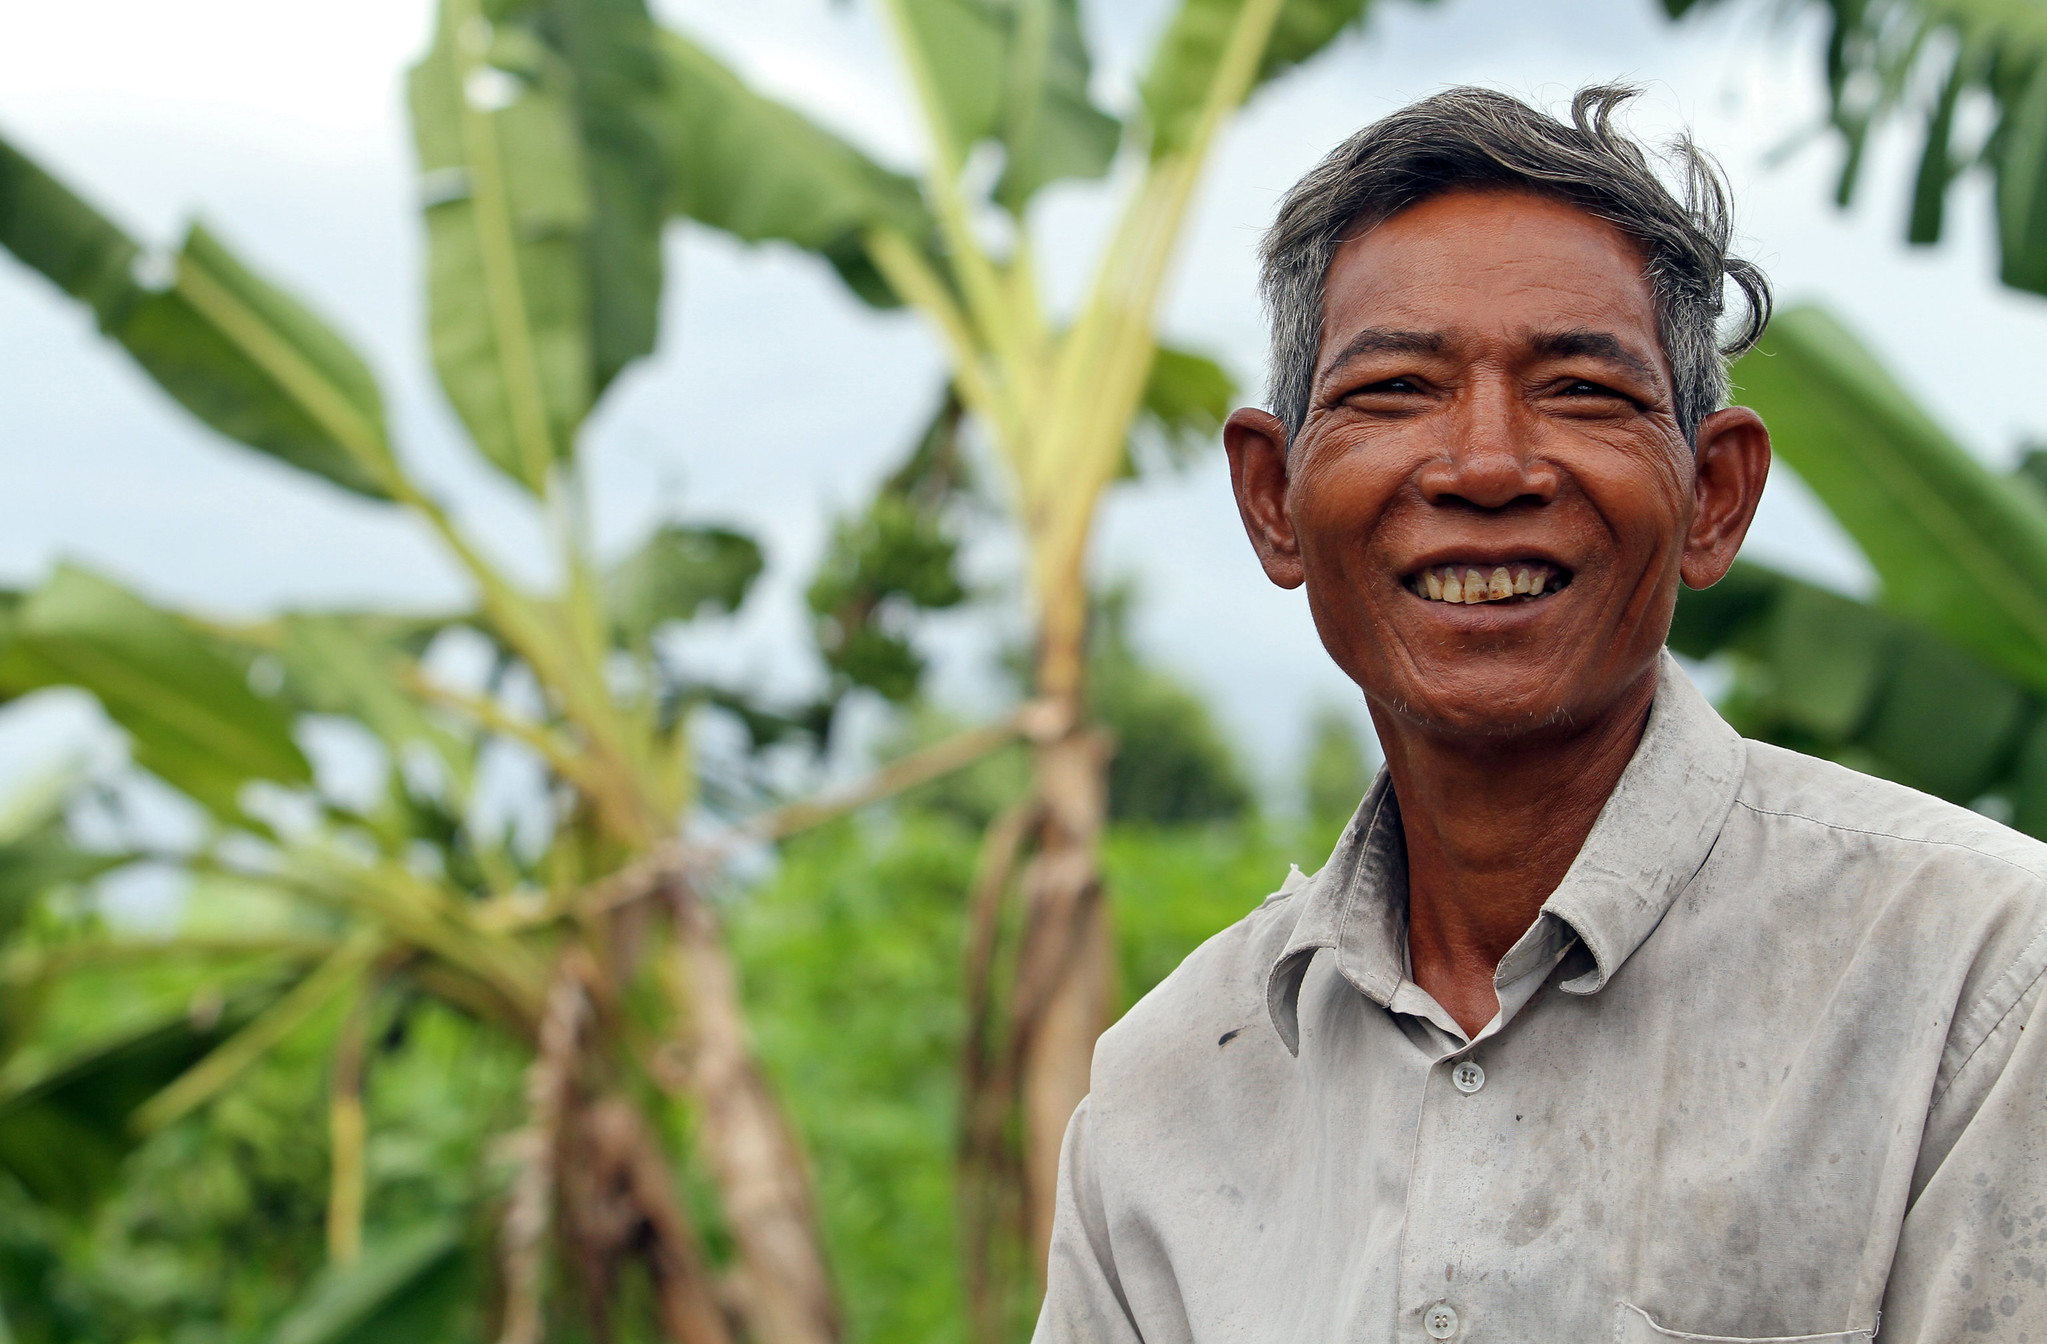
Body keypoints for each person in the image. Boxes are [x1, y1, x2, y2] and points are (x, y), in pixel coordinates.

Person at [1033, 85, 2047, 1343]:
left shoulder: (1982, 980)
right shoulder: (1171, 1090)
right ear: (1273, 501)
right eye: (1396, 388)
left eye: (1579, 389)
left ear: (1714, 497)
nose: (1487, 467)